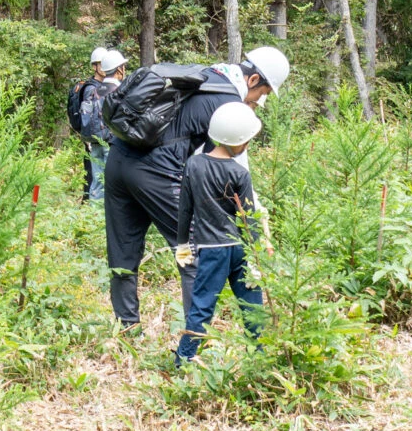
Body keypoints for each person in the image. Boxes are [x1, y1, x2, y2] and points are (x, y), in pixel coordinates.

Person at [104, 44, 291, 327]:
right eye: (261, 94)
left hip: (118, 159)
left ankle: (126, 329)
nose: (258, 101)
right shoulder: (229, 103)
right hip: (156, 171)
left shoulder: (207, 75)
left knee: (122, 251)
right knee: (192, 253)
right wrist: (252, 217)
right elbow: (234, 169)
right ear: (253, 80)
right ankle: (194, 343)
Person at [173, 102, 267, 362]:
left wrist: (182, 244)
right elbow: (248, 220)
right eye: (246, 141)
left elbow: (185, 209)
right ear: (237, 141)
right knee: (252, 306)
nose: (247, 145)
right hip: (240, 250)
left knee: (201, 307)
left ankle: (184, 359)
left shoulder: (193, 165)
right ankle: (258, 358)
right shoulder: (240, 173)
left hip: (212, 250)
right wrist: (256, 260)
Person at [77, 48, 127, 203]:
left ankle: (93, 217)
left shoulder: (95, 90)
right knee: (115, 184)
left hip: (95, 142)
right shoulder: (119, 91)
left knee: (97, 183)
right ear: (119, 69)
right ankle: (106, 220)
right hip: (112, 144)